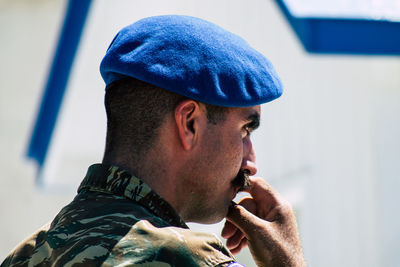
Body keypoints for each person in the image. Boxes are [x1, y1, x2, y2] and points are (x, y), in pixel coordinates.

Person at [2, 15, 305, 267]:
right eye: (244, 131)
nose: (251, 163)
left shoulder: (23, 256)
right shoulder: (191, 260)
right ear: (189, 123)